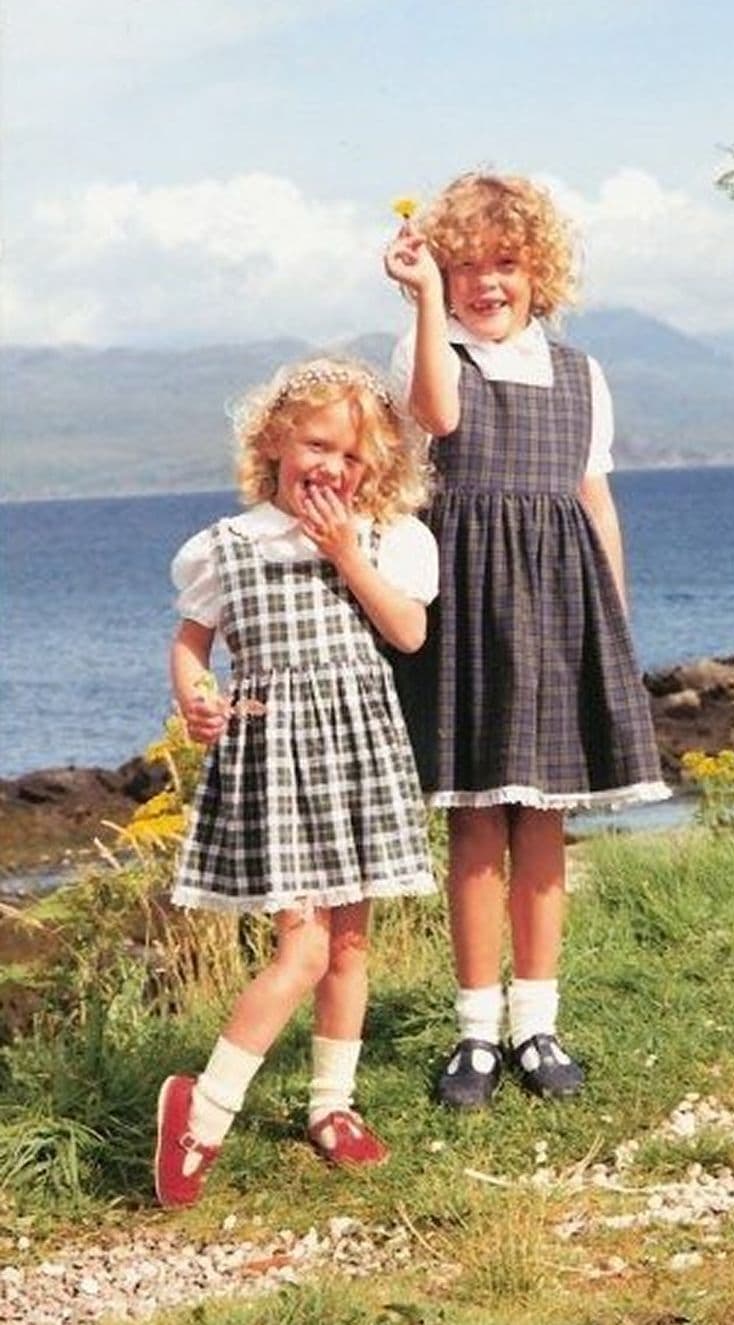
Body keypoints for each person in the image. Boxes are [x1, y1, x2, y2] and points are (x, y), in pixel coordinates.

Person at [383, 172, 668, 1110]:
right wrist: (425, 303)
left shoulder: (582, 373)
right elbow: (439, 417)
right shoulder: (429, 350)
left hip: (556, 607)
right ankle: (474, 1031)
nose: (486, 284)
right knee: (472, 818)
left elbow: (595, 498)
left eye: (504, 264)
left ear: (536, 269)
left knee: (543, 817)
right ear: (442, 275)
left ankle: (536, 1022)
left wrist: (613, 628)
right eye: (464, 267)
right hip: (461, 607)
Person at [154, 356, 439, 1209]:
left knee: (350, 944)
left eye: (353, 457)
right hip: (278, 754)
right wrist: (198, 701)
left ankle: (331, 1106)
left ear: (375, 466)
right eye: (318, 444)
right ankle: (201, 1111)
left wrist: (349, 552)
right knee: (305, 945)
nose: (331, 467)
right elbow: (190, 644)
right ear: (276, 437)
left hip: (359, 752)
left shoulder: (389, 537)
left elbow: (409, 632)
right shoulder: (226, 546)